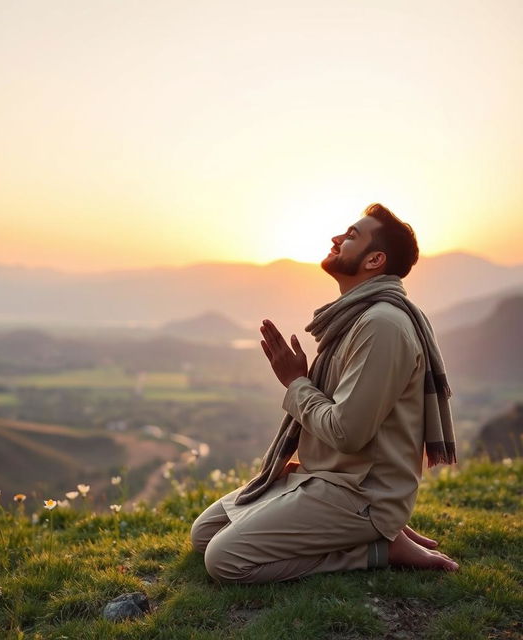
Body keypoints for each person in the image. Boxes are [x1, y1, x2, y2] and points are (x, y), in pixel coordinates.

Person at [190, 203, 459, 583]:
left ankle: (381, 547)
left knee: (225, 560)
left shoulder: (382, 326)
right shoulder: (357, 318)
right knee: (203, 535)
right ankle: (378, 534)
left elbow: (348, 433)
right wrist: (299, 382)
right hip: (325, 478)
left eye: (351, 235)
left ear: (374, 259)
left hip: (360, 494)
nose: (336, 238)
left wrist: (296, 382)